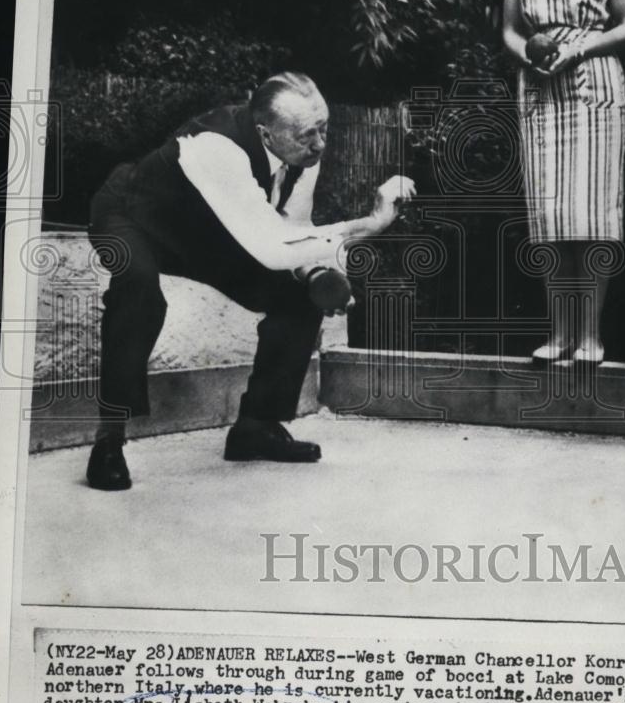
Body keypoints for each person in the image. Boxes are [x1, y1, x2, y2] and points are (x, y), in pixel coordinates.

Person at [86, 71, 415, 490]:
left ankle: (256, 426)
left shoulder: (300, 152)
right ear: (266, 133)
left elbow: (292, 227)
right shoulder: (215, 147)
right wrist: (370, 224)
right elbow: (273, 248)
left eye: (324, 129)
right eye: (306, 135)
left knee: (298, 299)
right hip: (134, 215)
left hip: (210, 234)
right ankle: (108, 440)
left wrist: (318, 276)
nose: (319, 144)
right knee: (139, 290)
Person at [502, 0, 625, 364]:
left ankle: (590, 337)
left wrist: (579, 49)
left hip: (594, 88)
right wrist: (532, 60)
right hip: (541, 90)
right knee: (551, 213)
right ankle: (559, 334)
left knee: (592, 214)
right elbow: (511, 31)